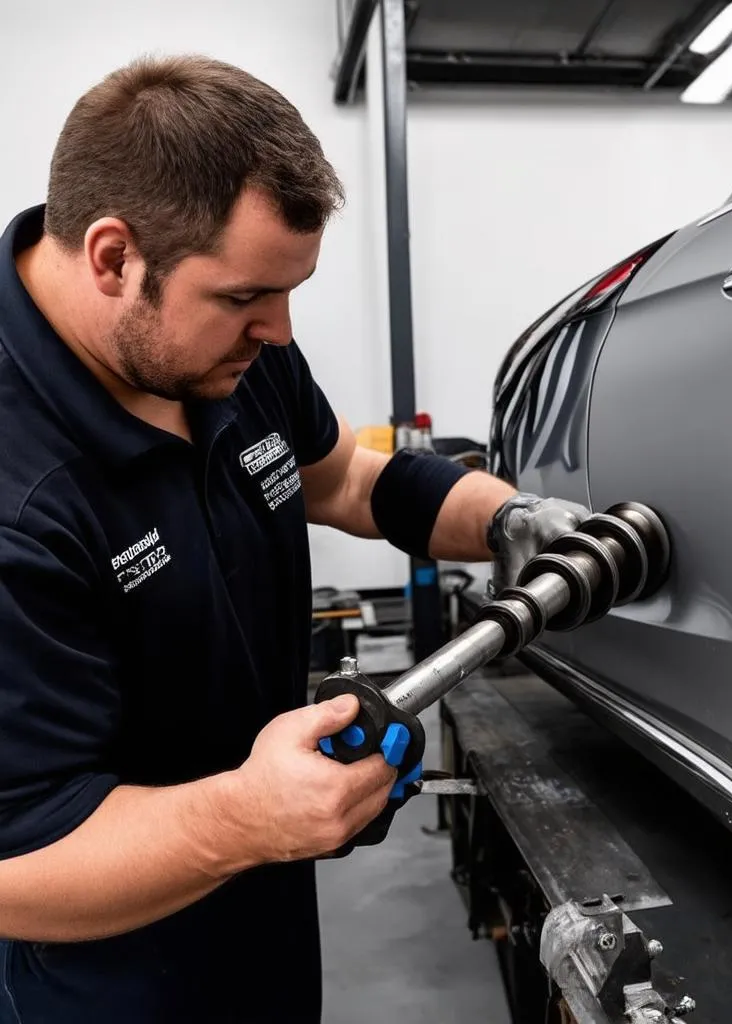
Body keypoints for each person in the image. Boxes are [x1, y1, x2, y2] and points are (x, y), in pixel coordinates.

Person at [0, 55, 586, 1023]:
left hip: (263, 914)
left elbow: (345, 477)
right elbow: (16, 860)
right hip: (110, 984)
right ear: (112, 257)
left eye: (289, 292)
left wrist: (503, 518)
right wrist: (242, 818)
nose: (278, 329)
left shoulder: (232, 353)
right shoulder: (21, 494)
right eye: (243, 299)